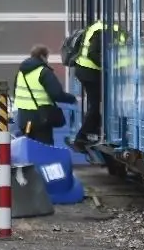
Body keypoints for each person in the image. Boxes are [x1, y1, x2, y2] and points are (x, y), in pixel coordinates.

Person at [70, 21, 123, 152]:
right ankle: (81, 137)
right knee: (95, 104)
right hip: (90, 72)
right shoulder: (104, 32)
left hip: (86, 71)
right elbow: (93, 53)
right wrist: (107, 67)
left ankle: (93, 131)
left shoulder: (99, 29)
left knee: (97, 103)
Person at [15, 44, 77, 146]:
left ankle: (30, 162)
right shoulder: (43, 72)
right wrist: (72, 99)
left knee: (28, 145)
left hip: (24, 118)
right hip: (40, 119)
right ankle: (43, 162)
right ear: (43, 56)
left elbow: (16, 91)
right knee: (44, 147)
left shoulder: (20, 73)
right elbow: (57, 94)